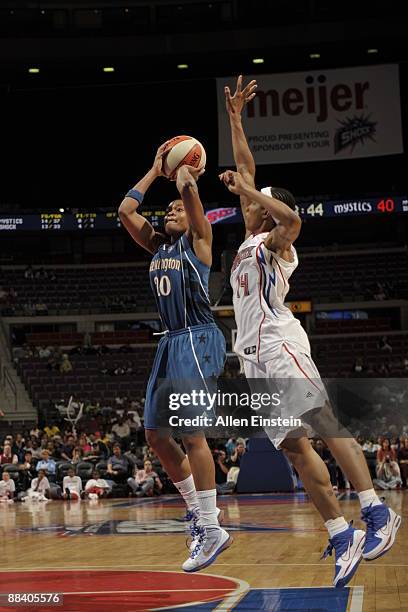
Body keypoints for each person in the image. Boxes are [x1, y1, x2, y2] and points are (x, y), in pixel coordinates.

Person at [220, 75, 401, 588]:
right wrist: (235, 120)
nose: (247, 206)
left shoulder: (280, 242)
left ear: (265, 207)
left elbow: (292, 217)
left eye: (255, 202)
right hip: (252, 358)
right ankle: (341, 532)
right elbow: (248, 166)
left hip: (281, 343)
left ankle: (376, 510)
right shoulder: (249, 238)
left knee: (322, 418)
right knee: (294, 448)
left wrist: (252, 189)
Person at [118, 142, 230, 572]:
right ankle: (198, 516)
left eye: (177, 210)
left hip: (197, 339)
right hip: (169, 342)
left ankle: (211, 522)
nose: (171, 211)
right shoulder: (159, 247)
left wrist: (186, 169)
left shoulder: (199, 242)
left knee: (192, 434)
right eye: (166, 209)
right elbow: (127, 212)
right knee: (156, 436)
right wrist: (153, 169)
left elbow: (187, 192)